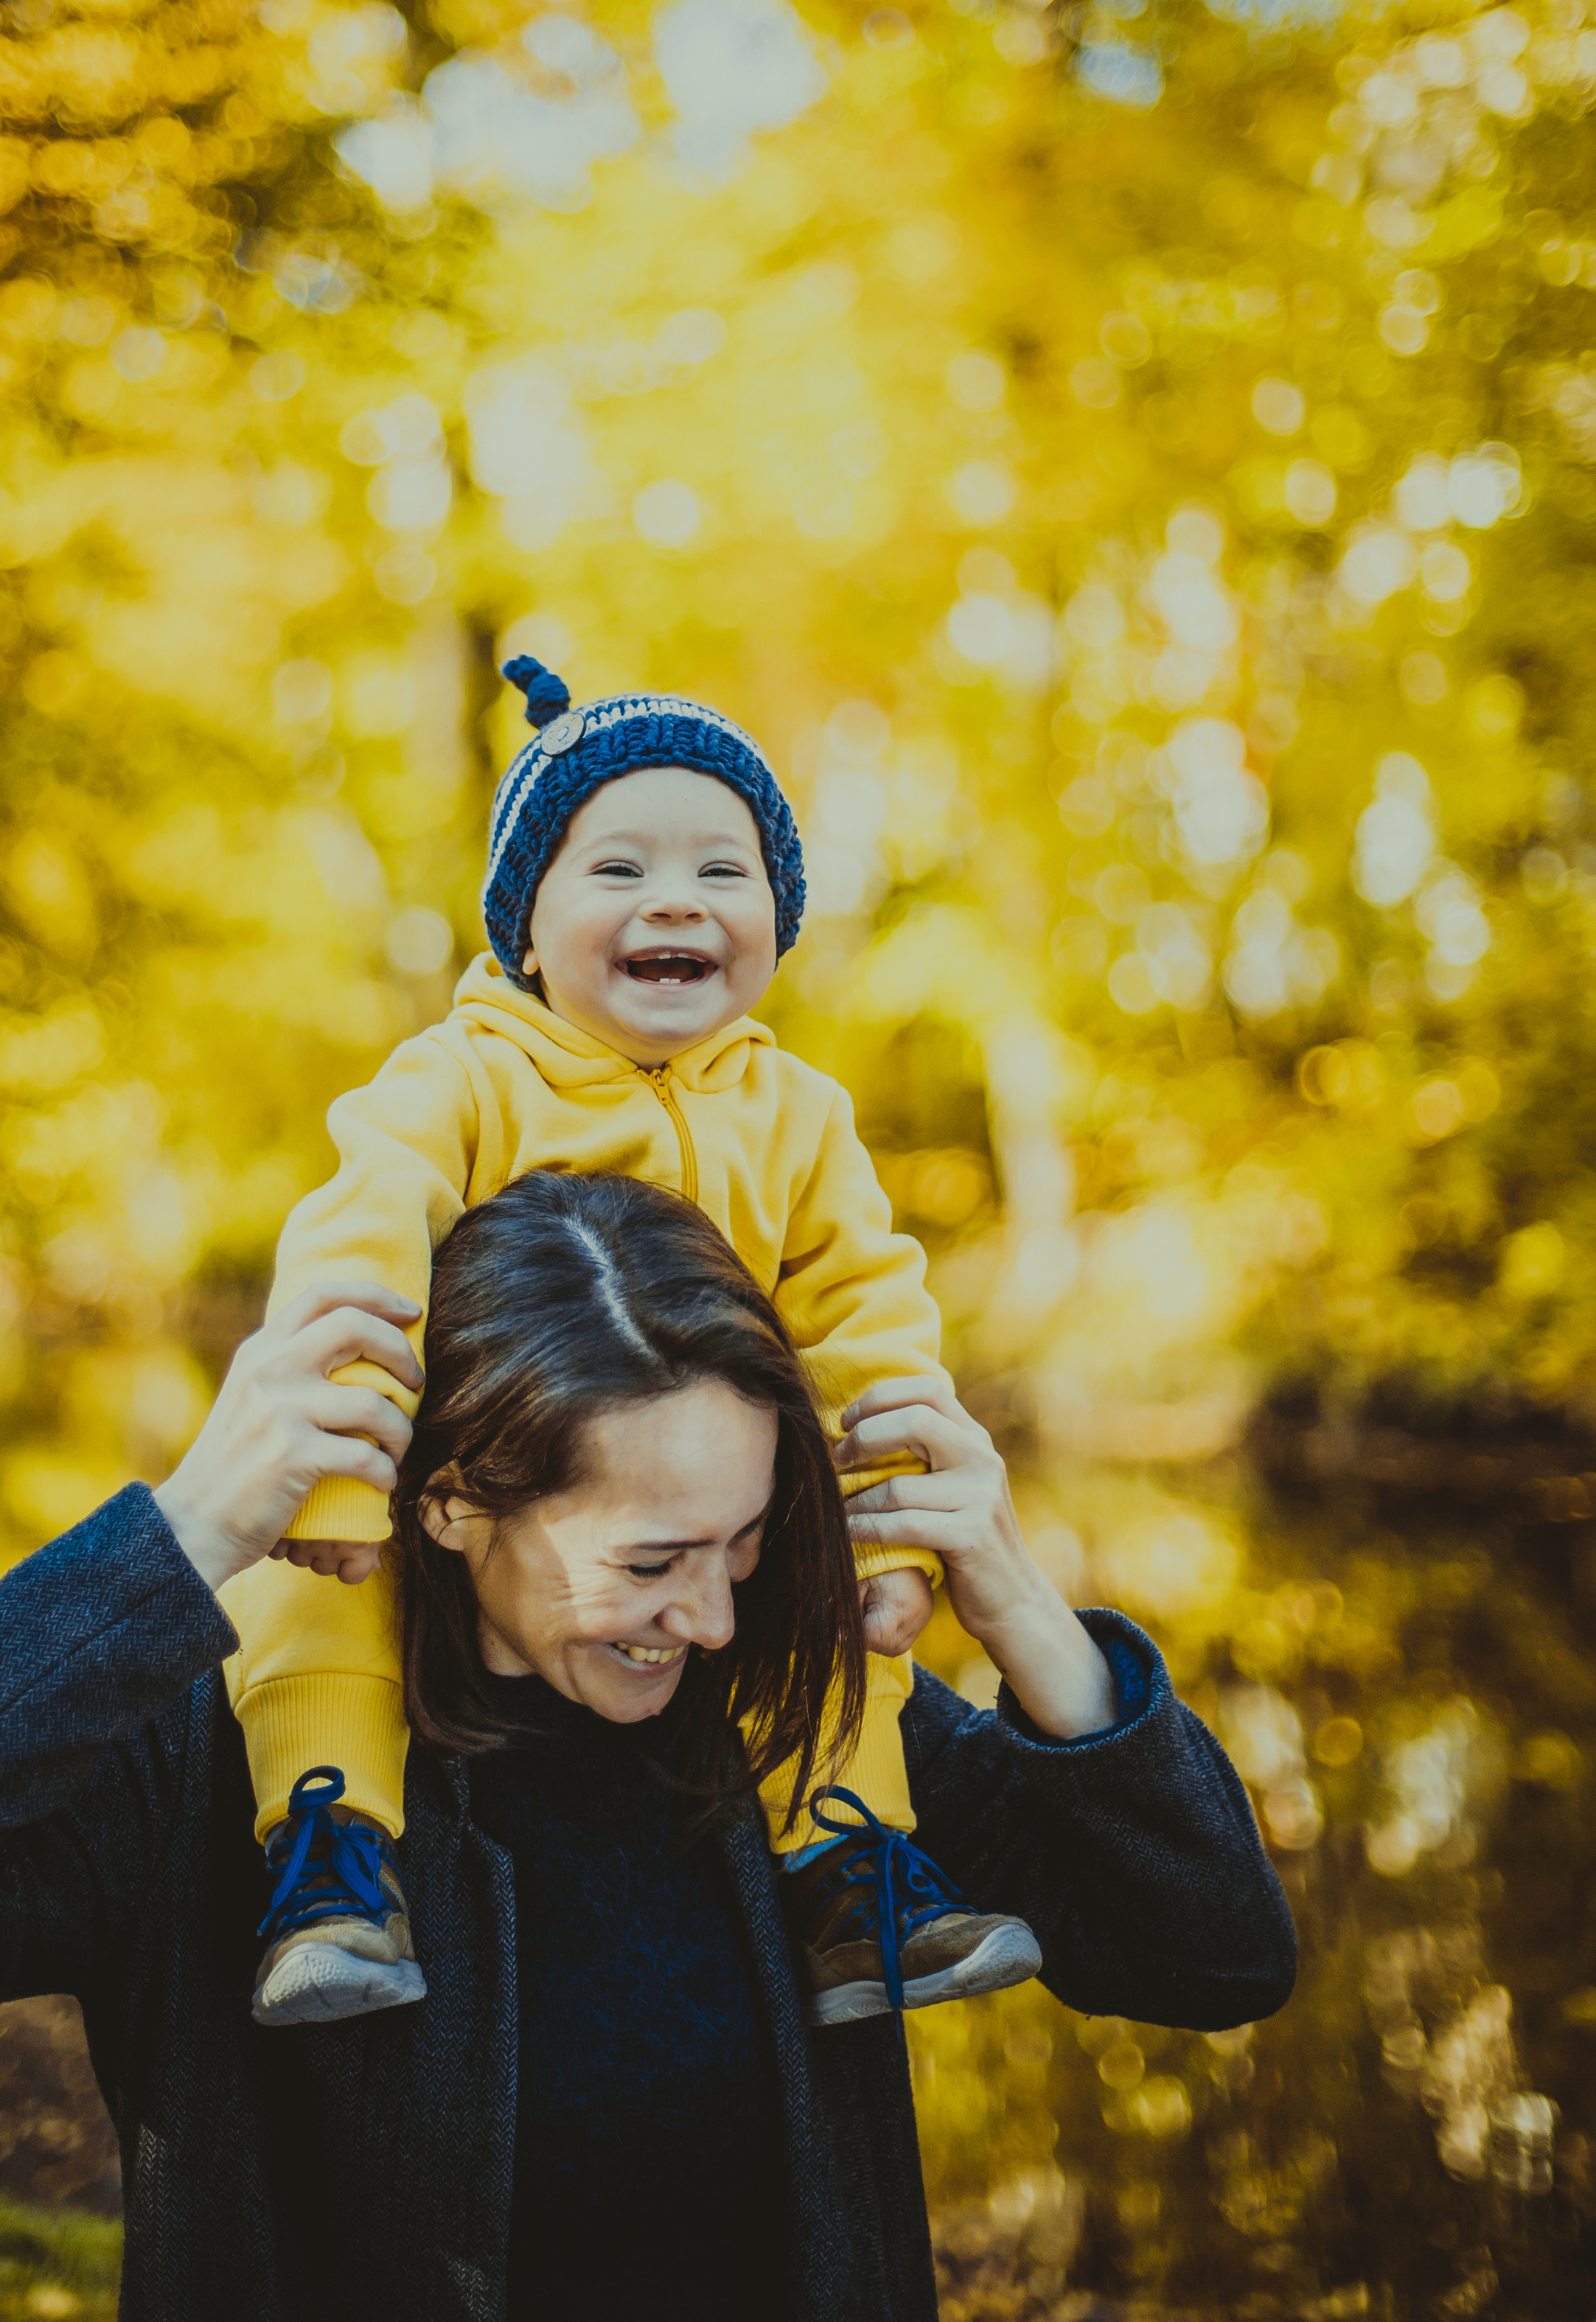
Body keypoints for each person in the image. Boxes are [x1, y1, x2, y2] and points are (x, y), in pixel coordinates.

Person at [0, 1171, 1297, 2322]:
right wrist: (179, 1541)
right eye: (648, 1560)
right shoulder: (228, 1764)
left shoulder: (790, 1729)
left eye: (742, 1543)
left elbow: (1212, 1954)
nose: (715, 1620)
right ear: (450, 1499)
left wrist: (1023, 1611)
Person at [231, 654, 1028, 2027]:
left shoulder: (800, 1115)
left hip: (707, 1494)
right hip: (464, 1503)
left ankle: (849, 1868)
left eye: (726, 872)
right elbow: (358, 1251)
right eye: (619, 872)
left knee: (820, 1622)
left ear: (777, 923)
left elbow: (866, 1319)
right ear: (523, 931)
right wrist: (341, 1476)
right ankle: (333, 1858)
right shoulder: (465, 1077)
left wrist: (890, 1543)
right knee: (305, 1605)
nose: (677, 898)